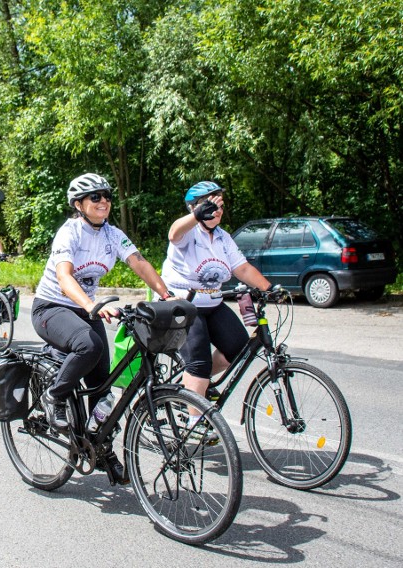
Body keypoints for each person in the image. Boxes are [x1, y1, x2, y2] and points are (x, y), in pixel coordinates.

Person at [32, 173, 175, 483]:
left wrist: (166, 295)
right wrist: (91, 306)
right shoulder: (69, 233)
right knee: (89, 346)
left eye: (107, 196)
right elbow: (64, 277)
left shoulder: (112, 234)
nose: (104, 201)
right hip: (52, 307)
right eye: (95, 197)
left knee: (102, 384)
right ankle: (54, 397)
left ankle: (100, 449)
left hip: (86, 309)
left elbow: (139, 262)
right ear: (79, 204)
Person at [161, 181, 272, 427]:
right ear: (195, 208)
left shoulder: (223, 238)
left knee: (238, 348)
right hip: (184, 304)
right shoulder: (189, 233)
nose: (216, 209)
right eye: (210, 204)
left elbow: (241, 268)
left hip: (212, 302)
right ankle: (195, 422)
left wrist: (270, 289)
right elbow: (174, 233)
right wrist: (195, 215)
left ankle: (189, 387)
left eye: (219, 204)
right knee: (198, 360)